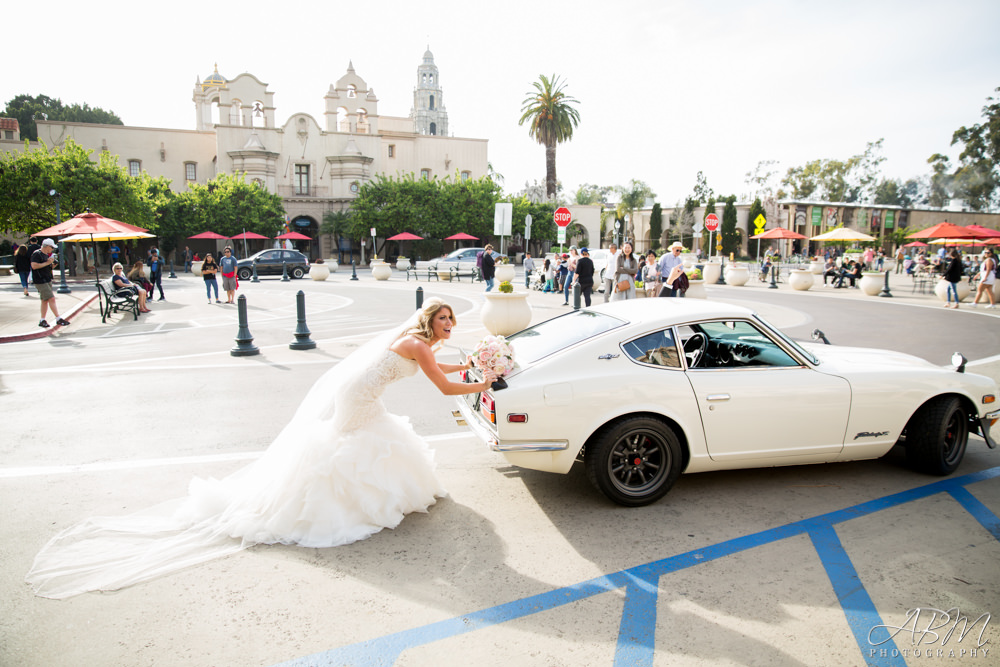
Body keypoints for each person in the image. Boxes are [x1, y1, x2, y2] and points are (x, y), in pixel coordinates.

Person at [25, 298, 496, 599]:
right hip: (358, 398)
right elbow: (441, 385)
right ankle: (324, 502)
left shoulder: (420, 345)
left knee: (375, 438)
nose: (449, 323)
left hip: (361, 393)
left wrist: (472, 365)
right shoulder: (418, 344)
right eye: (443, 318)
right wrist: (484, 382)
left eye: (451, 319)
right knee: (353, 444)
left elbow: (438, 370)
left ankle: (374, 493)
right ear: (429, 321)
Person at [30, 239, 70, 328]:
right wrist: (47, 262)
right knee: (51, 298)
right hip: (40, 280)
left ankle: (42, 320)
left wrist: (52, 265)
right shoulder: (37, 254)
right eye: (52, 247)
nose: (52, 249)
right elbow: (34, 266)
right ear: (47, 246)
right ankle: (58, 318)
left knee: (45, 300)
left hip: (47, 279)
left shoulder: (45, 255)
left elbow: (45, 267)